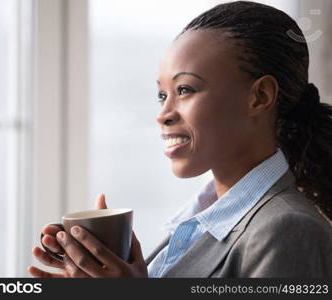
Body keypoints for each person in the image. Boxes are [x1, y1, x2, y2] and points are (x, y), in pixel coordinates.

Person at [28, 1, 332, 278]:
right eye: (162, 95)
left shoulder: (287, 228)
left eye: (185, 89)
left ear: (260, 96)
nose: (163, 114)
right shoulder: (195, 226)